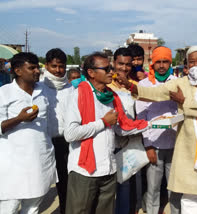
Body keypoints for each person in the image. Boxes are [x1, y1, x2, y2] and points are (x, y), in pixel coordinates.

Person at [117, 45, 197, 214]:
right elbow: (156, 93)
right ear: (186, 64)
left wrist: (184, 102)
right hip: (188, 149)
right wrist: (131, 86)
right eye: (192, 62)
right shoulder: (181, 83)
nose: (196, 65)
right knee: (190, 197)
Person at [64, 52, 148, 214]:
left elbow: (121, 128)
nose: (112, 72)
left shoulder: (111, 96)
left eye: (110, 68)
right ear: (91, 73)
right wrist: (102, 122)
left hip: (108, 169)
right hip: (85, 171)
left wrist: (153, 124)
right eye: (107, 68)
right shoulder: (77, 95)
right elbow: (70, 134)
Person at [0, 52, 56, 214]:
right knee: (8, 208)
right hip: (13, 164)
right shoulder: (5, 93)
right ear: (18, 71)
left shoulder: (44, 91)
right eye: (31, 68)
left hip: (40, 160)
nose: (37, 71)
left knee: (32, 208)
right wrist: (19, 119)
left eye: (37, 67)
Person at [135, 46, 180, 214]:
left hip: (176, 144)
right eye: (158, 62)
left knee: (175, 188)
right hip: (154, 144)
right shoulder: (144, 85)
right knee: (152, 188)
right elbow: (141, 117)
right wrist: (148, 145)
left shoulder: (178, 83)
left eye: (165, 61)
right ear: (152, 63)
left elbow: (182, 110)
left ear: (170, 63)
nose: (161, 65)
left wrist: (174, 122)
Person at [108, 47, 142, 214]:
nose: (124, 68)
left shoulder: (135, 86)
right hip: (107, 144)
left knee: (125, 186)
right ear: (114, 63)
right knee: (106, 189)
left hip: (128, 144)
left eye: (128, 65)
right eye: (120, 63)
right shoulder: (105, 85)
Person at [40, 48, 74, 214]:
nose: (58, 70)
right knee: (40, 184)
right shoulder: (38, 88)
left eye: (61, 66)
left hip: (67, 142)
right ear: (47, 66)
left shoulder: (71, 89)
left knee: (66, 182)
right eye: (54, 66)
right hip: (45, 142)